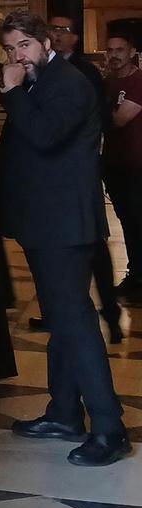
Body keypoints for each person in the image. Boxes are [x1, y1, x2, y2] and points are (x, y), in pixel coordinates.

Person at [0, 11, 129, 467]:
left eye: (24, 46)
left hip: (64, 224)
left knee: (75, 322)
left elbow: (46, 136)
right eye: (11, 49)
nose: (18, 56)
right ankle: (65, 412)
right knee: (63, 318)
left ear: (44, 41)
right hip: (46, 220)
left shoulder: (67, 82)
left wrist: (12, 91)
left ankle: (110, 429)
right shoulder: (41, 82)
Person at [42, 15, 120, 341]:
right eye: (53, 29)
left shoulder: (84, 73)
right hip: (52, 176)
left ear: (75, 38)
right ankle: (56, 310)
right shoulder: (43, 71)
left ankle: (110, 314)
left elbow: (98, 121)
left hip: (78, 172)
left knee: (91, 243)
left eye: (64, 30)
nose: (57, 35)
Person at [103, 23, 142, 303]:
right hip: (115, 165)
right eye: (110, 50)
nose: (114, 55)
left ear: (132, 52)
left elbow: (119, 119)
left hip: (137, 166)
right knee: (128, 222)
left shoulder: (138, 82)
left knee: (138, 222)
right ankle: (135, 273)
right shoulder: (109, 83)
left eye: (120, 50)